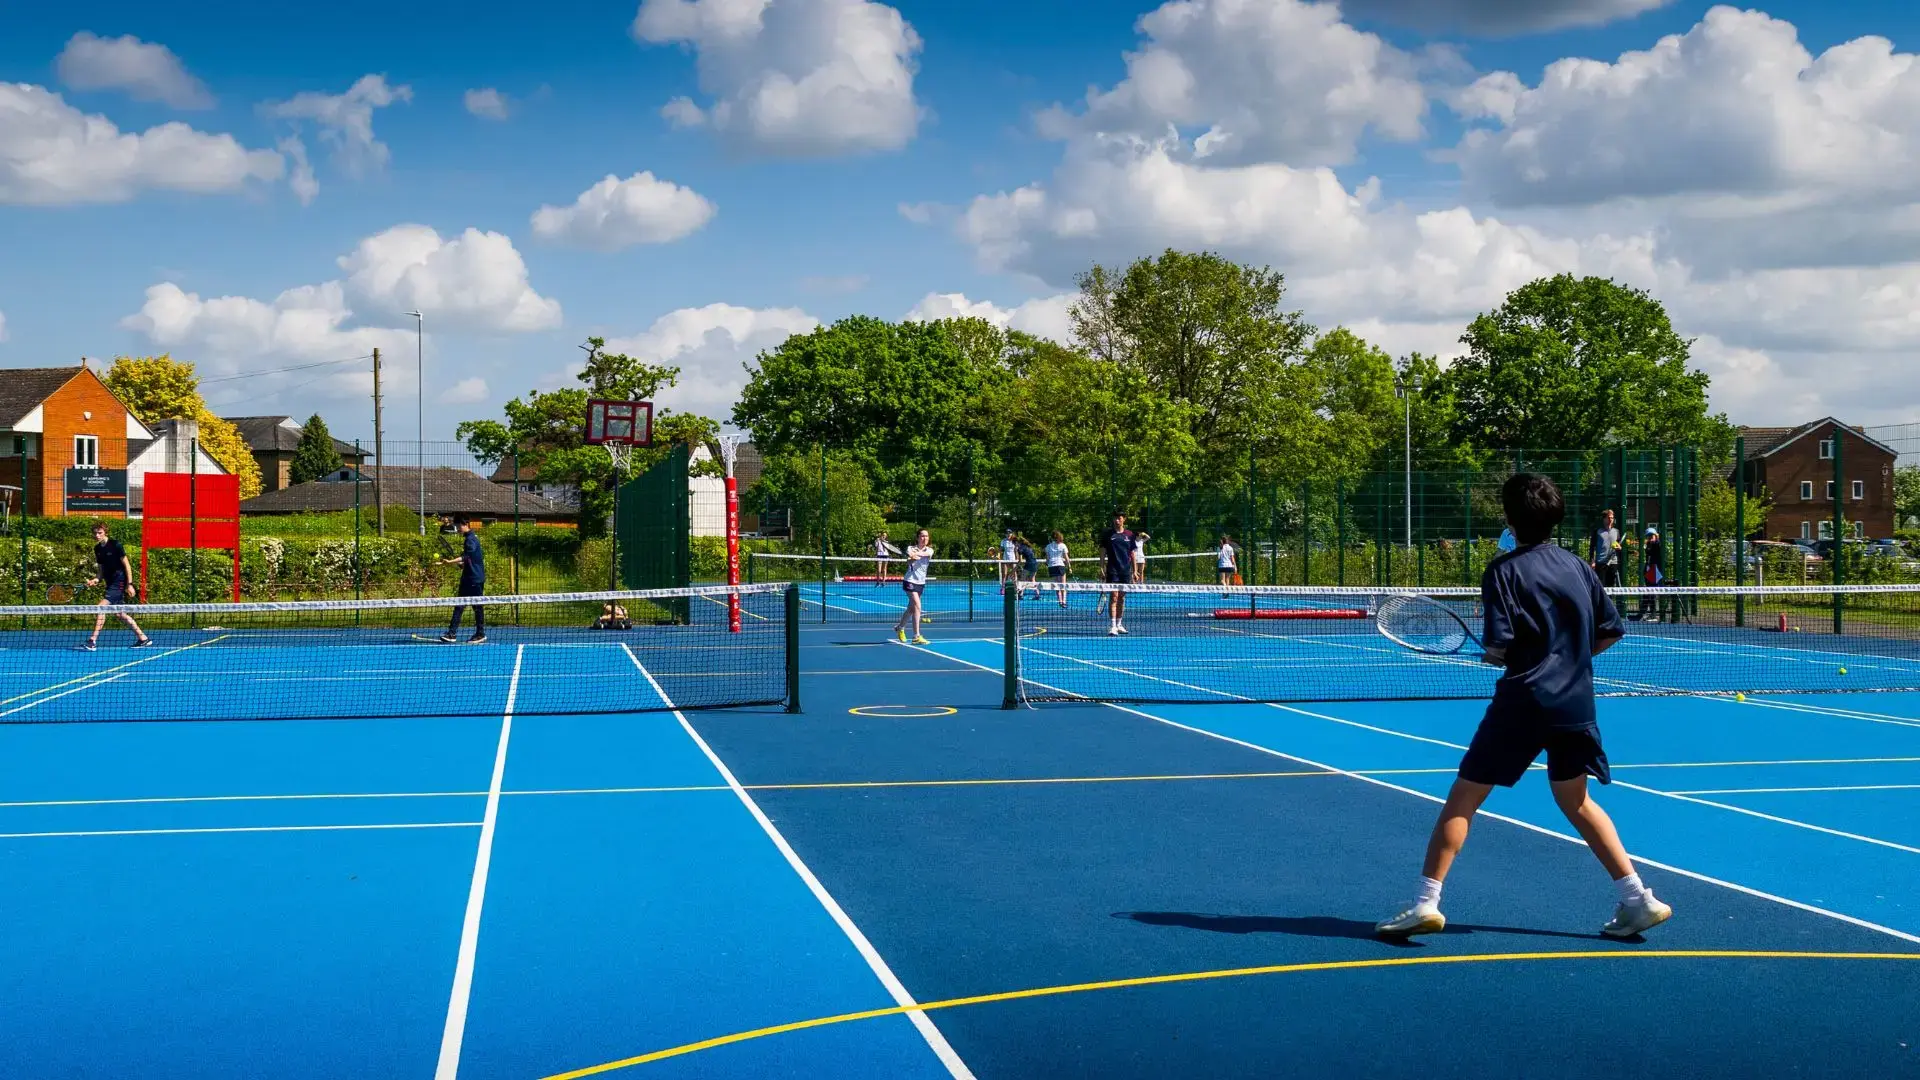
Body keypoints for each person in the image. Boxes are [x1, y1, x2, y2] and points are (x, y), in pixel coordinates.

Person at [1376, 474, 1670, 941]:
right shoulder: (1579, 567)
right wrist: (1567, 659)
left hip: (1525, 702)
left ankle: (1425, 903)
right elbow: (1611, 630)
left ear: (1510, 520)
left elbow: (1499, 645)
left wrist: (1503, 656)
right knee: (1577, 802)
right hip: (1575, 703)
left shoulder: (1502, 570)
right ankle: (1638, 898)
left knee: (1463, 799)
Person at [83, 521, 151, 651]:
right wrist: (95, 580)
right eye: (95, 533)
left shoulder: (115, 545)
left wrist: (129, 584)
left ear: (105, 532)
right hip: (109, 583)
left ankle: (92, 641)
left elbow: (127, 565)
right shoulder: (97, 549)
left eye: (100, 533)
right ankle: (143, 638)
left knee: (100, 608)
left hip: (119, 582)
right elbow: (101, 570)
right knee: (120, 614)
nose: (97, 535)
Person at [438, 515, 488, 643]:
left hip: (474, 579)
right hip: (469, 577)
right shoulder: (470, 538)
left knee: (476, 607)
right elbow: (469, 559)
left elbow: (466, 556)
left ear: (465, 524)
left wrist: (450, 562)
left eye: (458, 526)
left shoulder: (470, 539)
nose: (457, 528)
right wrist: (461, 564)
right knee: (460, 605)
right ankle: (452, 634)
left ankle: (480, 633)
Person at [894, 529, 933, 644]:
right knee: (917, 606)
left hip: (921, 582)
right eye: (922, 536)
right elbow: (908, 562)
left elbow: (925, 554)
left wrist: (916, 555)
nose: (925, 538)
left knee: (911, 609)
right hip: (909, 581)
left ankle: (900, 628)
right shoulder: (910, 548)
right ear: (917, 538)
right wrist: (911, 558)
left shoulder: (930, 550)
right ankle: (916, 636)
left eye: (926, 536)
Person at [1102, 513, 1136, 635]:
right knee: (1114, 597)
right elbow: (1103, 551)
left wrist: (1135, 571)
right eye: (1115, 518)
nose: (1117, 520)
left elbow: (1132, 553)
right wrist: (1101, 567)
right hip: (1112, 571)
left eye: (1119, 518)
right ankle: (1112, 626)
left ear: (1124, 520)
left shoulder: (1130, 535)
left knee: (1122, 597)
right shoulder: (1107, 534)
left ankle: (1119, 624)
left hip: (1125, 571)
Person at [1636, 525, 1666, 623]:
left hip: (1655, 570)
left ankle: (1653, 614)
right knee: (1647, 592)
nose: (1650, 537)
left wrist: (1654, 541)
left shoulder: (1658, 544)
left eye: (1651, 535)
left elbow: (1657, 547)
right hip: (1648, 570)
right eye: (1648, 536)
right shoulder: (1648, 544)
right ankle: (1642, 613)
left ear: (1655, 535)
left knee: (1651, 592)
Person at [1590, 510, 1622, 588]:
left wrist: (1619, 548)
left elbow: (1619, 546)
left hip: (1613, 562)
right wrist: (1592, 561)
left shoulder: (1616, 532)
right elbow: (1592, 547)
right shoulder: (1597, 532)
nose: (1611, 519)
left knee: (1610, 586)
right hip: (1601, 563)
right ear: (1604, 519)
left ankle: (1610, 600)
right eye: (1608, 518)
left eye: (1612, 518)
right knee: (1601, 587)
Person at [1044, 531, 1071, 607]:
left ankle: (1060, 601)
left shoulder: (1048, 546)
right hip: (1060, 566)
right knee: (1063, 584)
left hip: (1052, 566)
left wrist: (1047, 563)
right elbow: (1066, 558)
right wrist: (1069, 567)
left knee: (1057, 585)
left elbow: (1047, 559)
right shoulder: (1063, 545)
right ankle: (1064, 602)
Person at [1015, 534, 1040, 599]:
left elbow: (1020, 560)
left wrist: (1015, 568)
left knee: (1022, 580)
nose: (1015, 544)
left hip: (1029, 564)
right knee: (1032, 579)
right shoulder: (1028, 547)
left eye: (1015, 543)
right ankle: (1037, 594)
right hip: (1035, 564)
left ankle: (1020, 594)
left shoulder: (1020, 548)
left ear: (1018, 543)